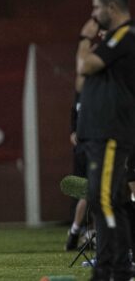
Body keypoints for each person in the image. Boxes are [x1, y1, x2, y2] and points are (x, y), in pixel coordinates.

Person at [76, 0, 135, 280]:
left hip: (110, 132)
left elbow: (84, 66)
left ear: (111, 8)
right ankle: (117, 267)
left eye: (97, 6)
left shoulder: (125, 36)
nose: (93, 13)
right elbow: (79, 81)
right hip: (97, 133)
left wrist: (85, 38)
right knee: (109, 201)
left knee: (104, 201)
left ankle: (112, 268)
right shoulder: (111, 41)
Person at [65, 75, 89, 251]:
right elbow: (74, 114)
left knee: (89, 193)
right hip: (89, 149)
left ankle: (76, 232)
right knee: (91, 192)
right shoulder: (85, 93)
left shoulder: (85, 93)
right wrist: (74, 131)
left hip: (88, 147)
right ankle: (82, 233)